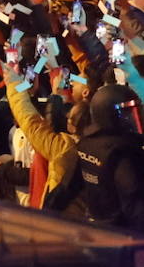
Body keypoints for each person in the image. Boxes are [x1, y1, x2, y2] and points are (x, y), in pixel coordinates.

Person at [52, 84, 144, 232]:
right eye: (126, 114)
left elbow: (67, 187)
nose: (133, 119)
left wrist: (44, 214)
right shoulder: (121, 153)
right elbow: (135, 206)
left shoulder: (86, 144)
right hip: (123, 236)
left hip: (97, 229)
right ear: (109, 116)